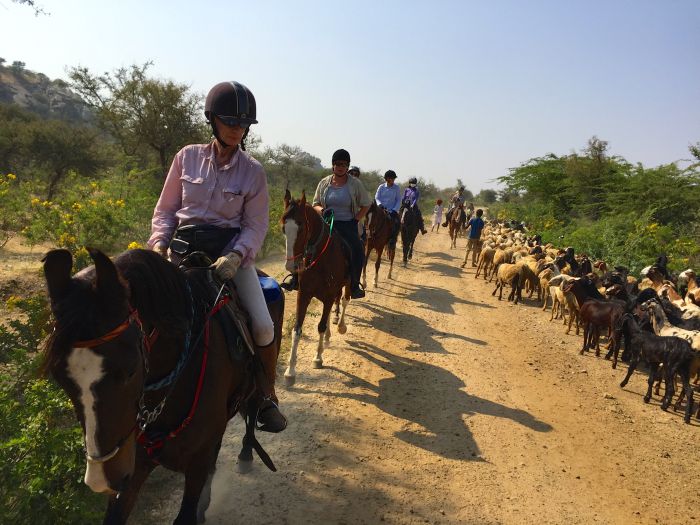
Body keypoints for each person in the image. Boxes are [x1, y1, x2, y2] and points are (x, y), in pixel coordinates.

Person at [148, 80, 286, 433]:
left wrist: (237, 256)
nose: (237, 129)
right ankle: (133, 395)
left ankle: (265, 395)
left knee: (262, 323)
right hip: (181, 251)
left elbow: (256, 225)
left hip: (227, 257)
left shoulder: (253, 172)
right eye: (230, 122)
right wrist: (159, 245)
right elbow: (166, 210)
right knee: (141, 314)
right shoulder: (186, 157)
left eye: (243, 124)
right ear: (212, 119)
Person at [280, 149, 371, 298]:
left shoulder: (355, 184)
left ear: (347, 166)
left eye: (343, 164)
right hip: (325, 223)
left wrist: (355, 219)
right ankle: (296, 279)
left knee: (357, 249)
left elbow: (366, 204)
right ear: (333, 165)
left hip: (347, 224)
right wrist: (322, 211)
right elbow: (315, 203)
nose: (340, 167)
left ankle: (354, 284)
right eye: (337, 164)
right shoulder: (324, 182)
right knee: (305, 244)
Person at [374, 170, 402, 248]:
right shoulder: (381, 187)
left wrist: (394, 210)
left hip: (391, 211)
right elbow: (377, 197)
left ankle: (392, 240)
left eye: (394, 179)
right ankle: (368, 237)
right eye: (391, 179)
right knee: (370, 220)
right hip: (380, 209)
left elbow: (399, 200)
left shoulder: (396, 188)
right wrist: (380, 205)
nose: (393, 180)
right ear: (387, 179)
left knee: (397, 223)